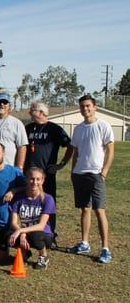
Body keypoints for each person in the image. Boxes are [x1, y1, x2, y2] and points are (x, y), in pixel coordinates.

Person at [69, 94, 115, 264]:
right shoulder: (79, 128)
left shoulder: (103, 126)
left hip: (96, 175)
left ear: (94, 107)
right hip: (79, 174)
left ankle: (105, 249)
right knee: (85, 209)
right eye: (82, 106)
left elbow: (110, 150)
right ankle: (85, 243)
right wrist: (73, 171)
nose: (85, 109)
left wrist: (104, 172)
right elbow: (76, 152)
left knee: (99, 210)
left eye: (88, 106)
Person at [25, 100, 72, 241]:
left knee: (48, 203)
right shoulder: (28, 128)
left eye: (32, 109)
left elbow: (70, 146)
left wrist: (61, 164)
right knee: (29, 202)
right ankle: (30, 229)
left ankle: (50, 231)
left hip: (47, 174)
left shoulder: (54, 129)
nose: (29, 111)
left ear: (41, 112)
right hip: (29, 174)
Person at [8, 167, 56, 270]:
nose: (34, 182)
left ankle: (43, 257)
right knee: (8, 235)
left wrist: (21, 231)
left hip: (42, 235)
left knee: (36, 235)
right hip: (24, 231)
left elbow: (41, 226)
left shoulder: (48, 199)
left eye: (38, 179)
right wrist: (22, 233)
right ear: (26, 179)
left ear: (43, 180)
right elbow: (13, 222)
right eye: (31, 179)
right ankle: (25, 252)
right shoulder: (19, 198)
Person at [0, 92, 28, 169]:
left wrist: (19, 168)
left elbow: (22, 147)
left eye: (5, 102)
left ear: (9, 106)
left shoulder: (17, 123)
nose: (2, 105)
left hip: (9, 169)